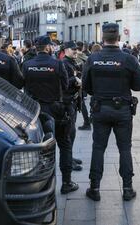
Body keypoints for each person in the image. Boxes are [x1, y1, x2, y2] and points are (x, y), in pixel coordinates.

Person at [82, 23, 140, 201]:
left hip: (100, 109)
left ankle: (94, 188)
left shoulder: (92, 59)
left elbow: (86, 87)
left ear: (103, 39)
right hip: (122, 110)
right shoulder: (129, 59)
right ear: (118, 38)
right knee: (125, 149)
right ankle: (127, 188)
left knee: (98, 148)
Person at [22, 35, 79, 194]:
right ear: (47, 47)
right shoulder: (58, 64)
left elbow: (22, 85)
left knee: (41, 149)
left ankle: (44, 185)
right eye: (51, 46)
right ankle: (66, 182)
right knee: (65, 144)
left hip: (37, 112)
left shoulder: (27, 65)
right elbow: (65, 84)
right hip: (57, 110)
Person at [62, 41, 84, 172]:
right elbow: (64, 83)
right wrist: (75, 80)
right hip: (67, 102)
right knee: (69, 133)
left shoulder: (72, 62)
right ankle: (68, 161)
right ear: (65, 50)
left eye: (76, 49)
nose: (76, 51)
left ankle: (70, 157)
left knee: (72, 132)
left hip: (73, 101)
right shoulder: (64, 63)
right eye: (73, 49)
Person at [78, 43, 103, 131]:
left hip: (93, 89)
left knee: (86, 104)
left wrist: (88, 90)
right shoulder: (103, 60)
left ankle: (88, 121)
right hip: (102, 91)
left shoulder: (90, 60)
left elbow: (85, 77)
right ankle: (91, 118)